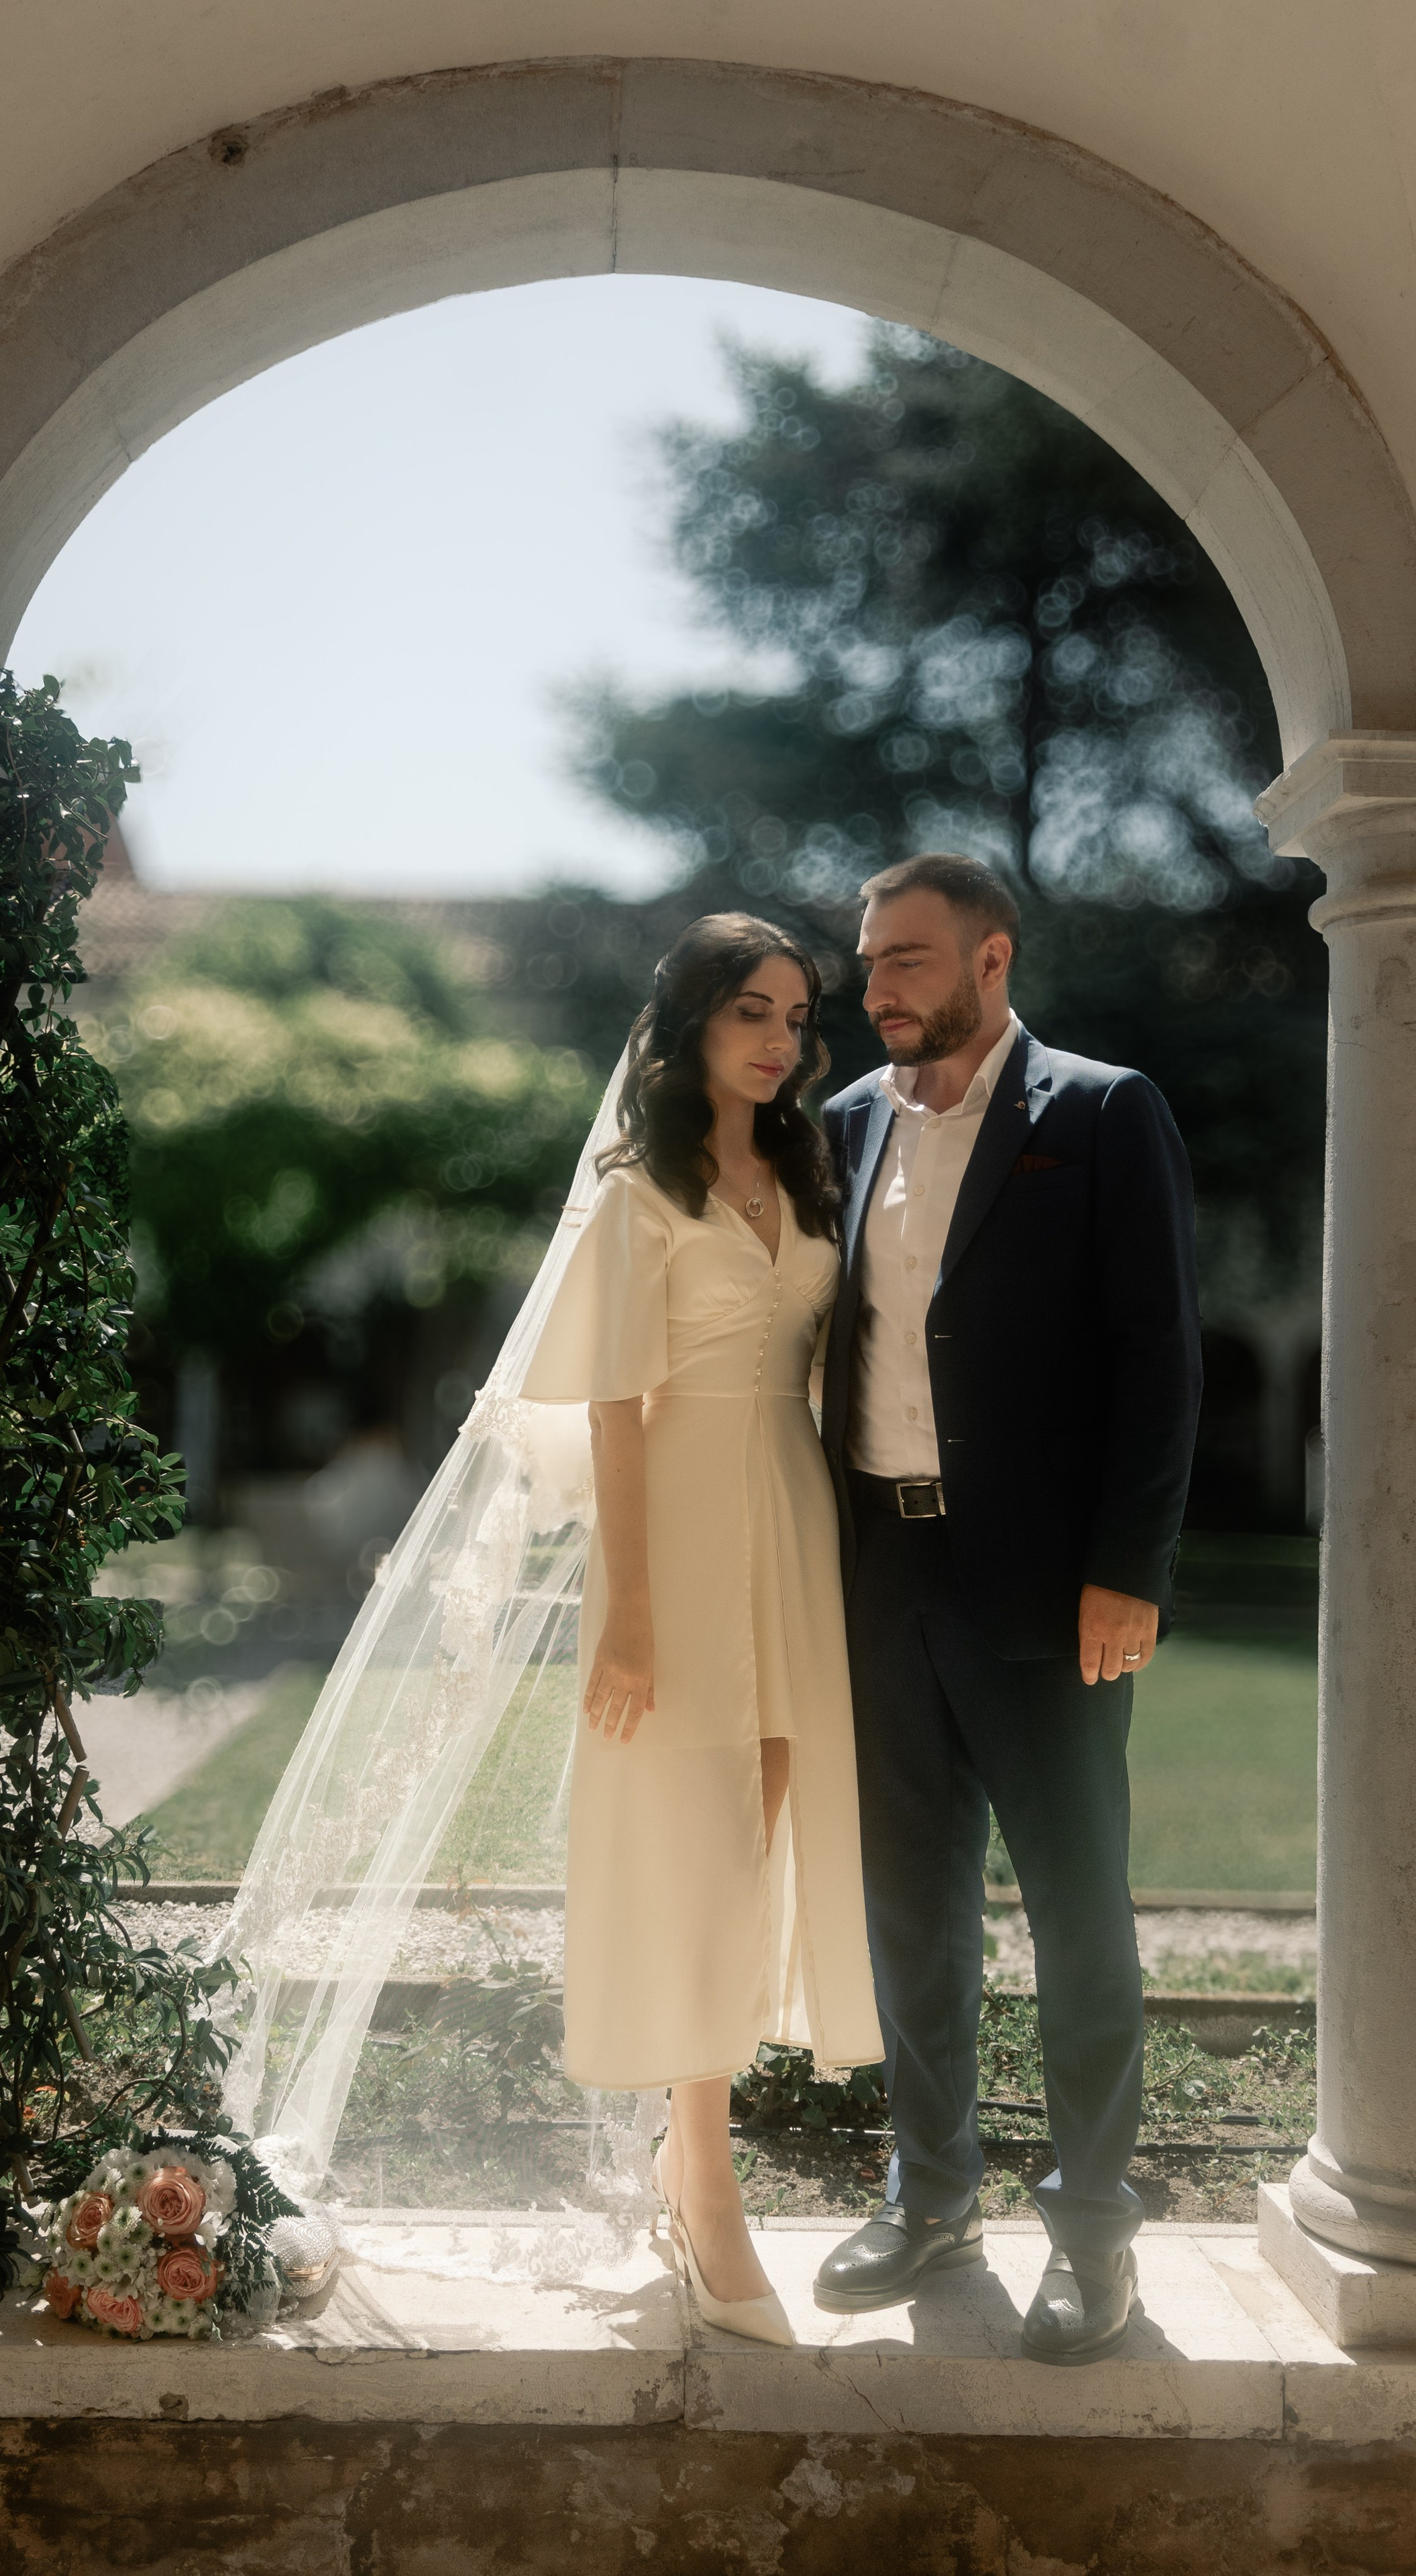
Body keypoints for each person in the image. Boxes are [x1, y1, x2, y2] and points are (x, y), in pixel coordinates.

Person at [812, 852, 1202, 2365]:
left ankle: (1092, 2230)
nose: (875, 986)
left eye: (904, 958)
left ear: (989, 959)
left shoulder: (1100, 1112)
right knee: (910, 1910)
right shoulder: (840, 1125)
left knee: (1074, 1910)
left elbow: (1153, 1357)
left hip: (1050, 1590)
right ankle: (931, 2195)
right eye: (866, 962)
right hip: (878, 1574)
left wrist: (1131, 1567)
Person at [521, 913, 883, 2346]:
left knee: (764, 1831)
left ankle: (693, 2152)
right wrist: (627, 1619)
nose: (779, 1037)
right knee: (695, 1837)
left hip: (789, 1520)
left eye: (795, 1014)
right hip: (670, 1524)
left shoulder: (804, 1169)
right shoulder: (637, 1197)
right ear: (687, 1025)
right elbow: (610, 1410)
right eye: (750, 1009)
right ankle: (707, 2173)